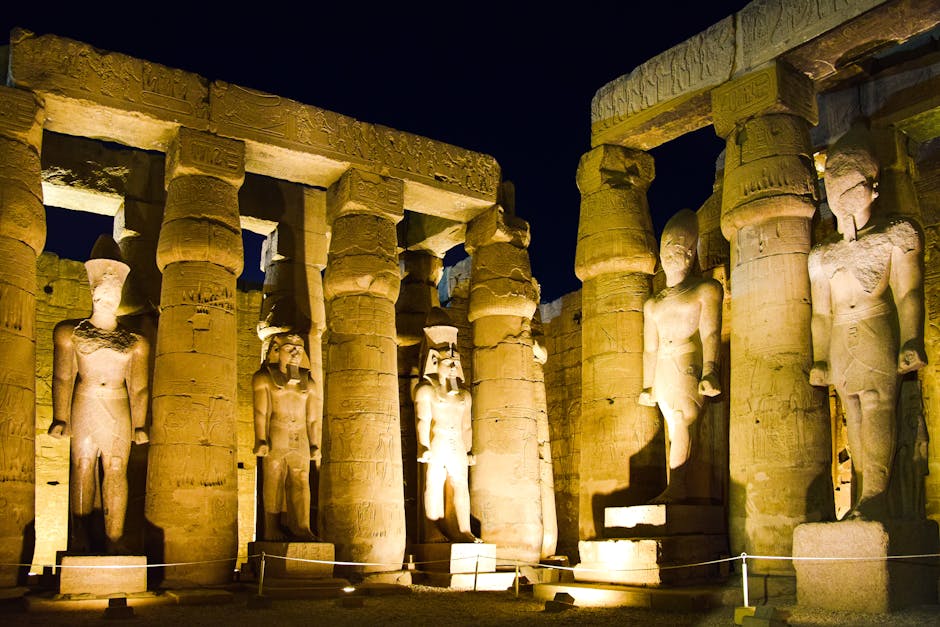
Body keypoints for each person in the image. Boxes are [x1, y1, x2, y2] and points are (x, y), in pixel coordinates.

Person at [808, 129, 926, 521]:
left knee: (877, 405)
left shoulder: (896, 235)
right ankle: (864, 493)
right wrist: (820, 358)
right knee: (852, 412)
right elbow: (821, 314)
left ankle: (875, 492)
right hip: (841, 335)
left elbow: (908, 293)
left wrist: (912, 338)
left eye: (850, 184)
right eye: (834, 184)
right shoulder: (822, 256)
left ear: (873, 187)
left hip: (877, 327)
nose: (840, 195)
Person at [48, 236, 149, 552]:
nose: (108, 293)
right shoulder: (70, 333)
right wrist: (60, 416)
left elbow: (139, 387)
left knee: (117, 466)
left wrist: (140, 424)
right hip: (86, 400)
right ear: (93, 291)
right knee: (83, 464)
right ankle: (80, 537)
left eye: (113, 289)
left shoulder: (135, 342)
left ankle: (114, 540)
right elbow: (63, 377)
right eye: (102, 289)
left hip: (118, 404)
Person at [639, 209, 722, 503]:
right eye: (666, 248)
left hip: (687, 363)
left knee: (681, 419)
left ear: (690, 253)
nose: (670, 255)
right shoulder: (653, 304)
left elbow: (710, 333)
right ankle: (678, 485)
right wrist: (648, 384)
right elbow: (650, 347)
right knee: (672, 427)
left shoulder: (705, 290)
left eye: (677, 247)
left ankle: (678, 488)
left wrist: (711, 369)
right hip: (663, 369)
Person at [413, 316, 478, 542]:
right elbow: (423, 420)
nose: (453, 368)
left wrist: (469, 450)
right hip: (438, 442)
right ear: (434, 361)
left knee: (461, 484)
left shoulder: (464, 395)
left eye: (455, 363)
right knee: (434, 482)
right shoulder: (426, 391)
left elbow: (466, 425)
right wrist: (423, 446)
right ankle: (432, 530)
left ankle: (463, 529)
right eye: (448, 363)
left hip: (457, 444)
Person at [253, 332, 320, 540]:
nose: (294, 354)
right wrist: (260, 439)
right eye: (289, 349)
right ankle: (271, 528)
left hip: (300, 435)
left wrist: (315, 443)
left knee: (301, 480)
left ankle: (302, 526)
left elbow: (312, 418)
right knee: (274, 479)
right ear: (276, 351)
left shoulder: (308, 383)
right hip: (277, 433)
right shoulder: (264, 378)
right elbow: (261, 412)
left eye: (298, 350)